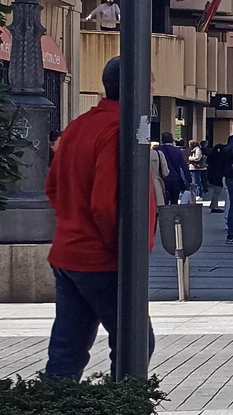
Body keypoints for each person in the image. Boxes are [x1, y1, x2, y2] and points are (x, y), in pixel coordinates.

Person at [43, 56, 156, 379]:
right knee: (134, 344)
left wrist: (71, 224)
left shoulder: (79, 125)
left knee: (67, 348)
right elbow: (106, 204)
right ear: (139, 87)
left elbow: (52, 187)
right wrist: (122, 251)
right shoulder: (119, 130)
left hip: (68, 253)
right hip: (102, 259)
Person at [156, 134, 188, 206]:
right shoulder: (178, 151)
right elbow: (184, 166)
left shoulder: (157, 150)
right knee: (174, 201)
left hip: (162, 178)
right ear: (172, 140)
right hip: (175, 178)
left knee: (163, 200)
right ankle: (173, 215)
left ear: (162, 140)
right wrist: (189, 179)